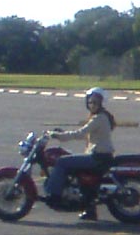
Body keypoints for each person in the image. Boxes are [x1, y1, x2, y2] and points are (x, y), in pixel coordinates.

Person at [45, 87, 116, 221]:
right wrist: (62, 134)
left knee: (61, 162)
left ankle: (53, 195)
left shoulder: (99, 118)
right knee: (76, 169)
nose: (92, 105)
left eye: (95, 102)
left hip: (98, 157)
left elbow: (80, 133)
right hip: (100, 156)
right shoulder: (102, 117)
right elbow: (87, 135)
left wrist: (57, 135)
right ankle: (89, 209)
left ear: (101, 103)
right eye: (90, 102)